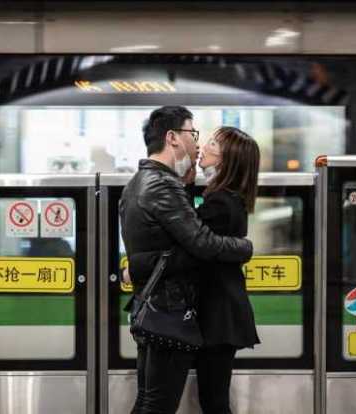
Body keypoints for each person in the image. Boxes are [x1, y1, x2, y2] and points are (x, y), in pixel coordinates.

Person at [119, 106, 253, 414]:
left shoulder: (138, 182)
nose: (198, 143)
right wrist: (245, 248)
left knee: (150, 401)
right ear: (172, 138)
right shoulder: (164, 185)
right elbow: (201, 244)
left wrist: (134, 268)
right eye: (193, 134)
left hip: (152, 305)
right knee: (158, 404)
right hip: (169, 309)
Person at [195, 127, 261, 414]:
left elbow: (196, 246)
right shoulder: (231, 197)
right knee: (214, 397)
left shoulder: (220, 201)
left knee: (214, 400)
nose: (202, 147)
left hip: (218, 312)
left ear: (226, 159)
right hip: (223, 308)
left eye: (212, 143)